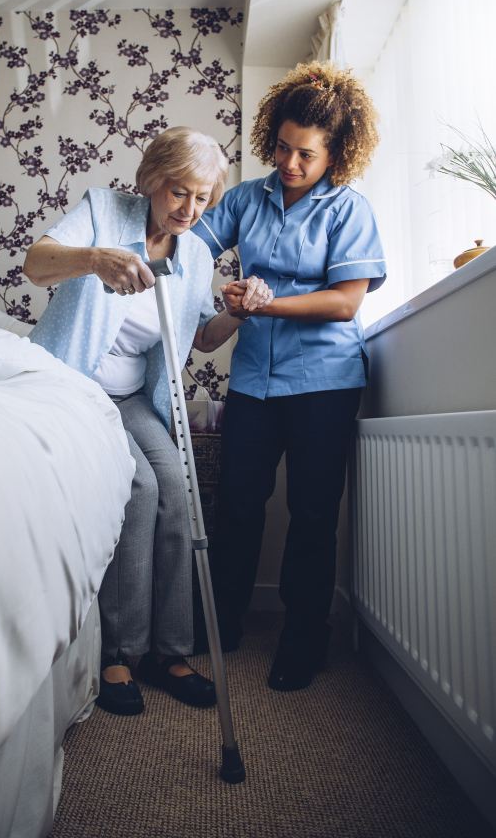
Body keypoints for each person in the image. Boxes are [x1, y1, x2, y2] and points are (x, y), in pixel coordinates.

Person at [22, 126, 272, 716]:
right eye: (177, 192)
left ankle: (170, 650)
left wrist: (237, 314)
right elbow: (36, 264)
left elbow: (202, 338)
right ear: (151, 182)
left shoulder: (197, 255)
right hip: (74, 385)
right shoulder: (103, 211)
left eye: (202, 198)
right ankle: (120, 651)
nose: (188, 209)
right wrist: (93, 259)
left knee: (177, 491)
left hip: (135, 396)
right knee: (137, 487)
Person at [191, 62, 386, 692]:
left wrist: (263, 304)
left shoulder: (349, 209)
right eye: (282, 146)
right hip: (252, 380)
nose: (291, 163)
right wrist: (220, 290)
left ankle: (305, 640)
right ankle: (222, 623)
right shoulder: (247, 197)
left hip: (325, 382)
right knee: (239, 505)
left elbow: (344, 302)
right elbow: (191, 247)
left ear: (336, 152)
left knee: (311, 512)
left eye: (306, 153)